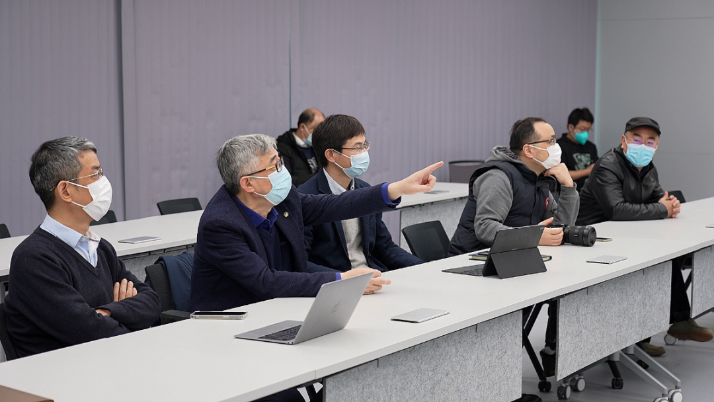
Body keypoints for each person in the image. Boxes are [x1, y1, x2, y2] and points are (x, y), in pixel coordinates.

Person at [4, 137, 160, 358]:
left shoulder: (100, 248)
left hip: (106, 361)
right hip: (62, 373)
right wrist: (128, 316)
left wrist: (107, 311)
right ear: (66, 191)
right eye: (95, 174)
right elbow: (89, 331)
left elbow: (152, 302)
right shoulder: (34, 259)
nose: (103, 181)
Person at [447, 117, 580, 377]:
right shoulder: (499, 176)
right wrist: (534, 237)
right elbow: (485, 227)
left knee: (567, 289)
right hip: (474, 267)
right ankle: (495, 380)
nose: (557, 146)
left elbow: (559, 228)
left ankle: (534, 365)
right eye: (551, 141)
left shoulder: (538, 179)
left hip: (510, 262)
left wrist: (568, 186)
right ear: (529, 150)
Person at [577, 117, 712, 356]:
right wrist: (662, 209)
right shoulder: (608, 166)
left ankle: (653, 332)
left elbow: (659, 198)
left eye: (650, 141)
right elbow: (616, 210)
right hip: (596, 239)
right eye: (637, 139)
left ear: (657, 146)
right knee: (654, 263)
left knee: (666, 257)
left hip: (628, 235)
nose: (643, 146)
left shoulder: (648, 168)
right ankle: (653, 331)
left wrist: (670, 204)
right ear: (624, 140)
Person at [299, 114, 423, 273]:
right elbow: (301, 263)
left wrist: (423, 267)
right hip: (337, 282)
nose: (364, 153)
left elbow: (384, 247)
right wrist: (344, 279)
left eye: (365, 146)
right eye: (357, 148)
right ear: (331, 155)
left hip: (373, 276)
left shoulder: (364, 190)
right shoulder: (306, 198)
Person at [276, 108, 324, 186]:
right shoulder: (283, 147)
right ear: (302, 127)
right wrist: (318, 177)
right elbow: (286, 180)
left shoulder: (317, 145)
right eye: (315, 129)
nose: (319, 133)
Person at [557, 107, 598, 191]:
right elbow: (561, 174)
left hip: (589, 193)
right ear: (571, 127)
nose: (585, 133)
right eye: (582, 129)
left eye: (588, 130)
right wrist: (588, 171)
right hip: (569, 193)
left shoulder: (591, 146)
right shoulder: (559, 146)